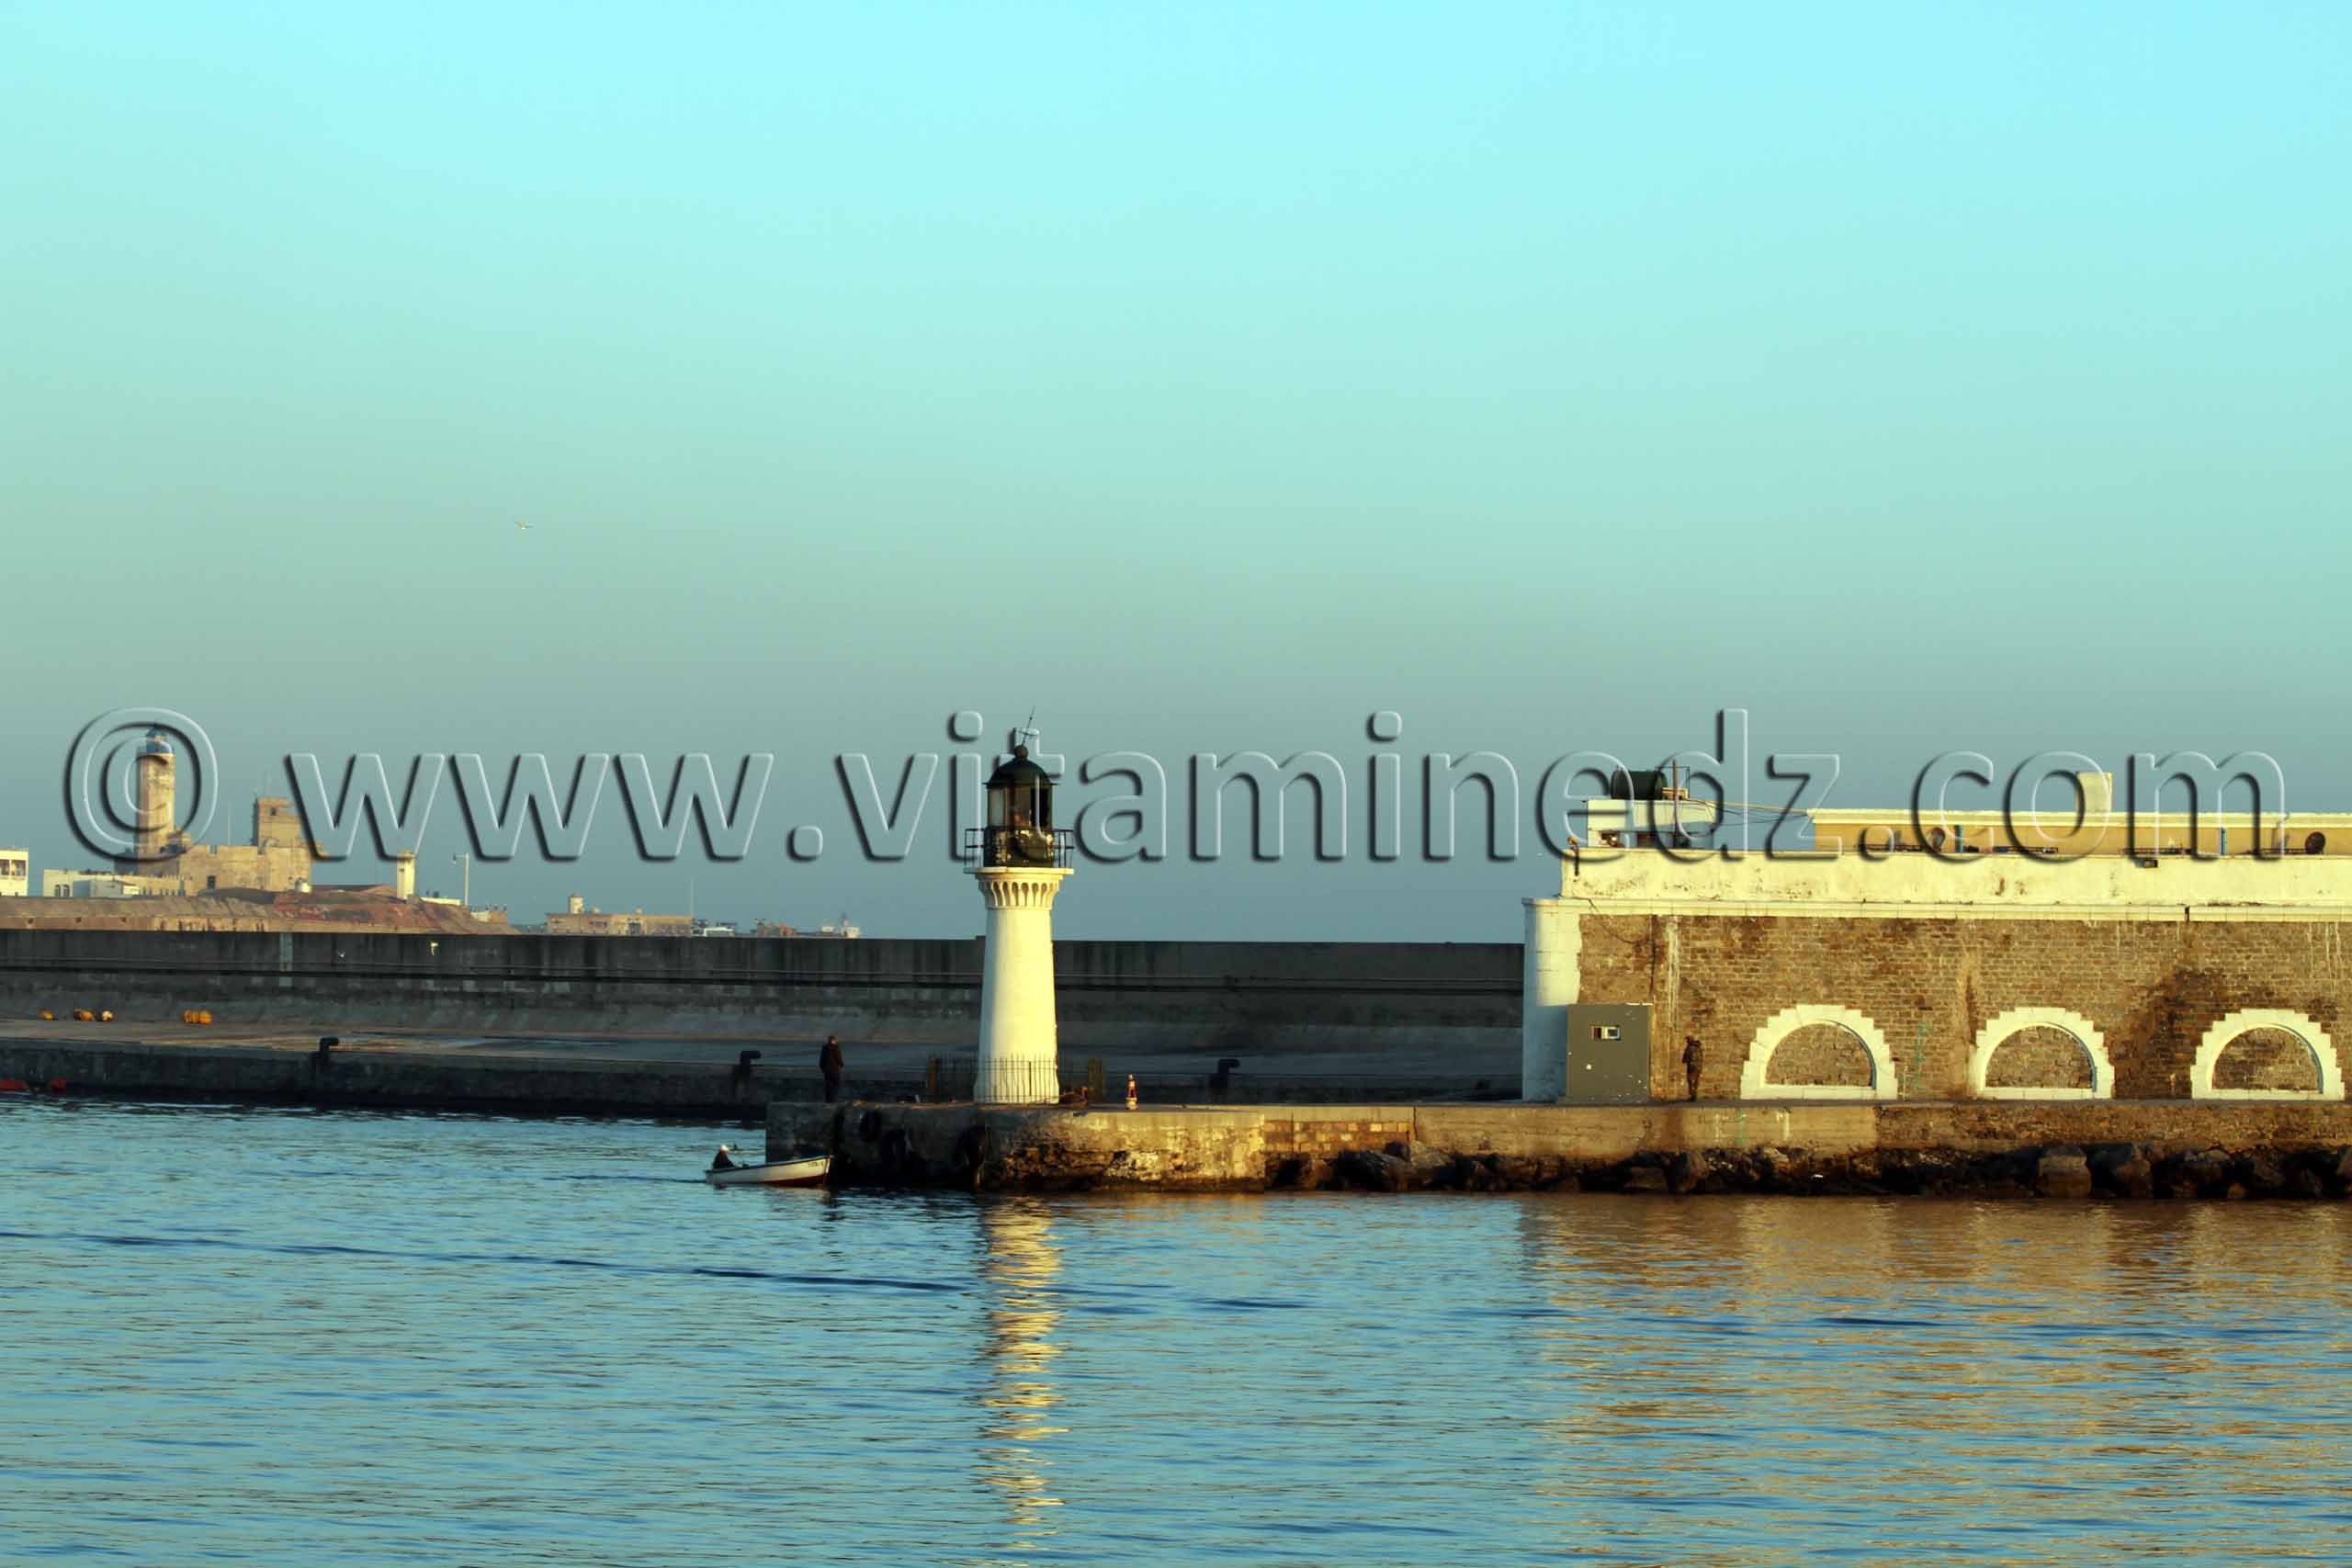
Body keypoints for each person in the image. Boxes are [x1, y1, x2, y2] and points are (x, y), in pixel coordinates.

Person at [820, 1034, 845, 1103]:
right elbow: (838, 1058)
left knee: (828, 1085)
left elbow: (822, 1059)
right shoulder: (836, 1047)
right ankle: (832, 1098)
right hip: (834, 1069)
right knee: (837, 1084)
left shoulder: (824, 1048)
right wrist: (842, 1065)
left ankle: (828, 1100)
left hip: (826, 1070)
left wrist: (822, 1067)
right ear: (834, 1040)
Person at [1682, 1036, 1704, 1102]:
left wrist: (1685, 1060)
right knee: (1696, 1081)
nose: (1687, 1042)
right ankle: (1694, 1095)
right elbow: (1701, 1057)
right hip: (1699, 1067)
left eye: (1687, 1040)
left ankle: (1693, 1094)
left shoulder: (1689, 1048)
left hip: (1692, 1067)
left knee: (1690, 1080)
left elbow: (1685, 1058)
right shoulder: (1698, 1048)